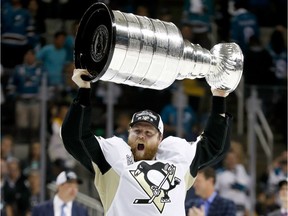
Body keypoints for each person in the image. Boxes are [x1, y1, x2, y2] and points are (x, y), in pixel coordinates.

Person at [60, 68, 233, 216]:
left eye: (148, 133)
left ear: (160, 139)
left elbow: (215, 145)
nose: (141, 136)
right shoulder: (113, 158)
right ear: (128, 134)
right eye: (136, 131)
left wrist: (219, 97)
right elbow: (74, 137)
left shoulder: (177, 158)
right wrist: (83, 90)